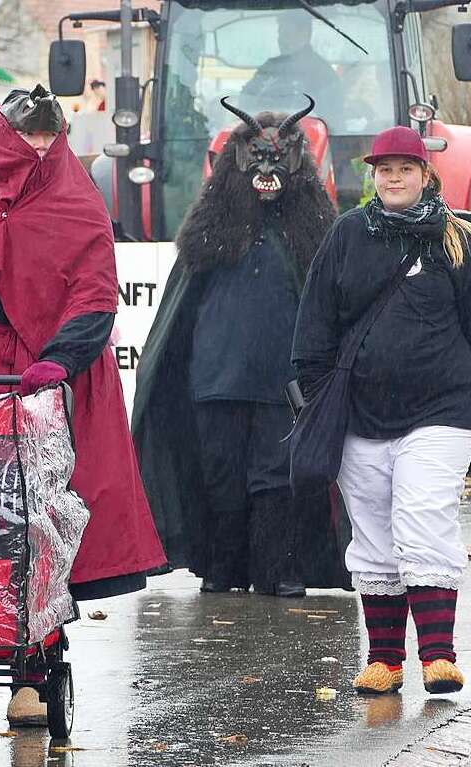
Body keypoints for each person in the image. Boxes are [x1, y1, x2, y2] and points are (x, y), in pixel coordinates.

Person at [0, 85, 166, 726]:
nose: (39, 148)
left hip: (46, 382)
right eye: (27, 137)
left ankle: (32, 672)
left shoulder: (78, 203)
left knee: (41, 525)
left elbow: (95, 296)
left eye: (48, 137)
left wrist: (59, 359)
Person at [132, 97, 349, 597]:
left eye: (280, 159)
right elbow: (179, 314)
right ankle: (223, 566)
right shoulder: (213, 231)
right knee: (221, 473)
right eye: (257, 159)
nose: (268, 170)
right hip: (215, 377)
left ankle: (278, 569)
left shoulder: (313, 234)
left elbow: (327, 305)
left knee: (275, 475)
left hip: (282, 381)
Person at [293, 126, 471, 695]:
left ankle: (438, 654)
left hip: (441, 409)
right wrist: (318, 392)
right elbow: (316, 318)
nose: (393, 178)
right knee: (372, 534)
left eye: (404, 169)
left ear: (426, 175)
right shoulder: (348, 234)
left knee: (422, 518)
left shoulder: (456, 237)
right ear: (373, 177)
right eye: (383, 169)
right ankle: (384, 660)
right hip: (360, 412)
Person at [240, 11, 342, 123]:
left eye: (287, 33)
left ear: (305, 33)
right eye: (280, 33)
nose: (281, 39)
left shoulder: (324, 74)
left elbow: (331, 120)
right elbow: (246, 100)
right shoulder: (270, 67)